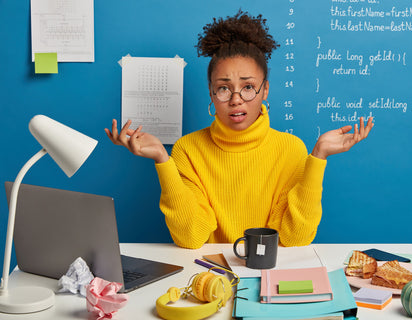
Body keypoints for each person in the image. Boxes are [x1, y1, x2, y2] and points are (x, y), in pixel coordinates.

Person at [106, 11, 374, 249]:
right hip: (213, 278)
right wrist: (162, 160)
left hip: (270, 277)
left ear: (265, 90)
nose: (236, 99)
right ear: (211, 93)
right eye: (224, 88)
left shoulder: (291, 149)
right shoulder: (188, 149)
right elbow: (190, 237)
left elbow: (296, 237)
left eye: (248, 87)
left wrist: (318, 157)